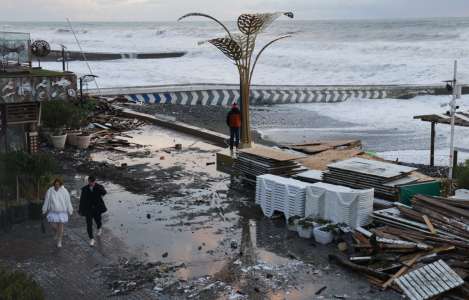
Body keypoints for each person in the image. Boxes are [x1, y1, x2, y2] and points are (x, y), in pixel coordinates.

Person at [42, 178, 73, 248]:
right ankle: (56, 232)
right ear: (54, 184)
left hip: (62, 211)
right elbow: (46, 200)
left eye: (58, 184)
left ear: (60, 184)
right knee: (53, 225)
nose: (57, 185)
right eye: (56, 184)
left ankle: (59, 241)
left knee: (61, 227)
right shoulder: (50, 191)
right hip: (53, 211)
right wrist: (44, 209)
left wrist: (70, 210)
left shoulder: (64, 191)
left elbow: (68, 201)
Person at [79, 175, 107, 247]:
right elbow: (82, 200)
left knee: (98, 220)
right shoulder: (84, 189)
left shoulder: (99, 186)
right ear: (88, 181)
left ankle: (99, 227)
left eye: (92, 182)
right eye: (89, 182)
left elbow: (104, 192)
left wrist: (96, 185)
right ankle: (91, 239)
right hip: (88, 210)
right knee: (89, 224)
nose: (91, 183)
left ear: (94, 181)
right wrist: (80, 210)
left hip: (97, 209)